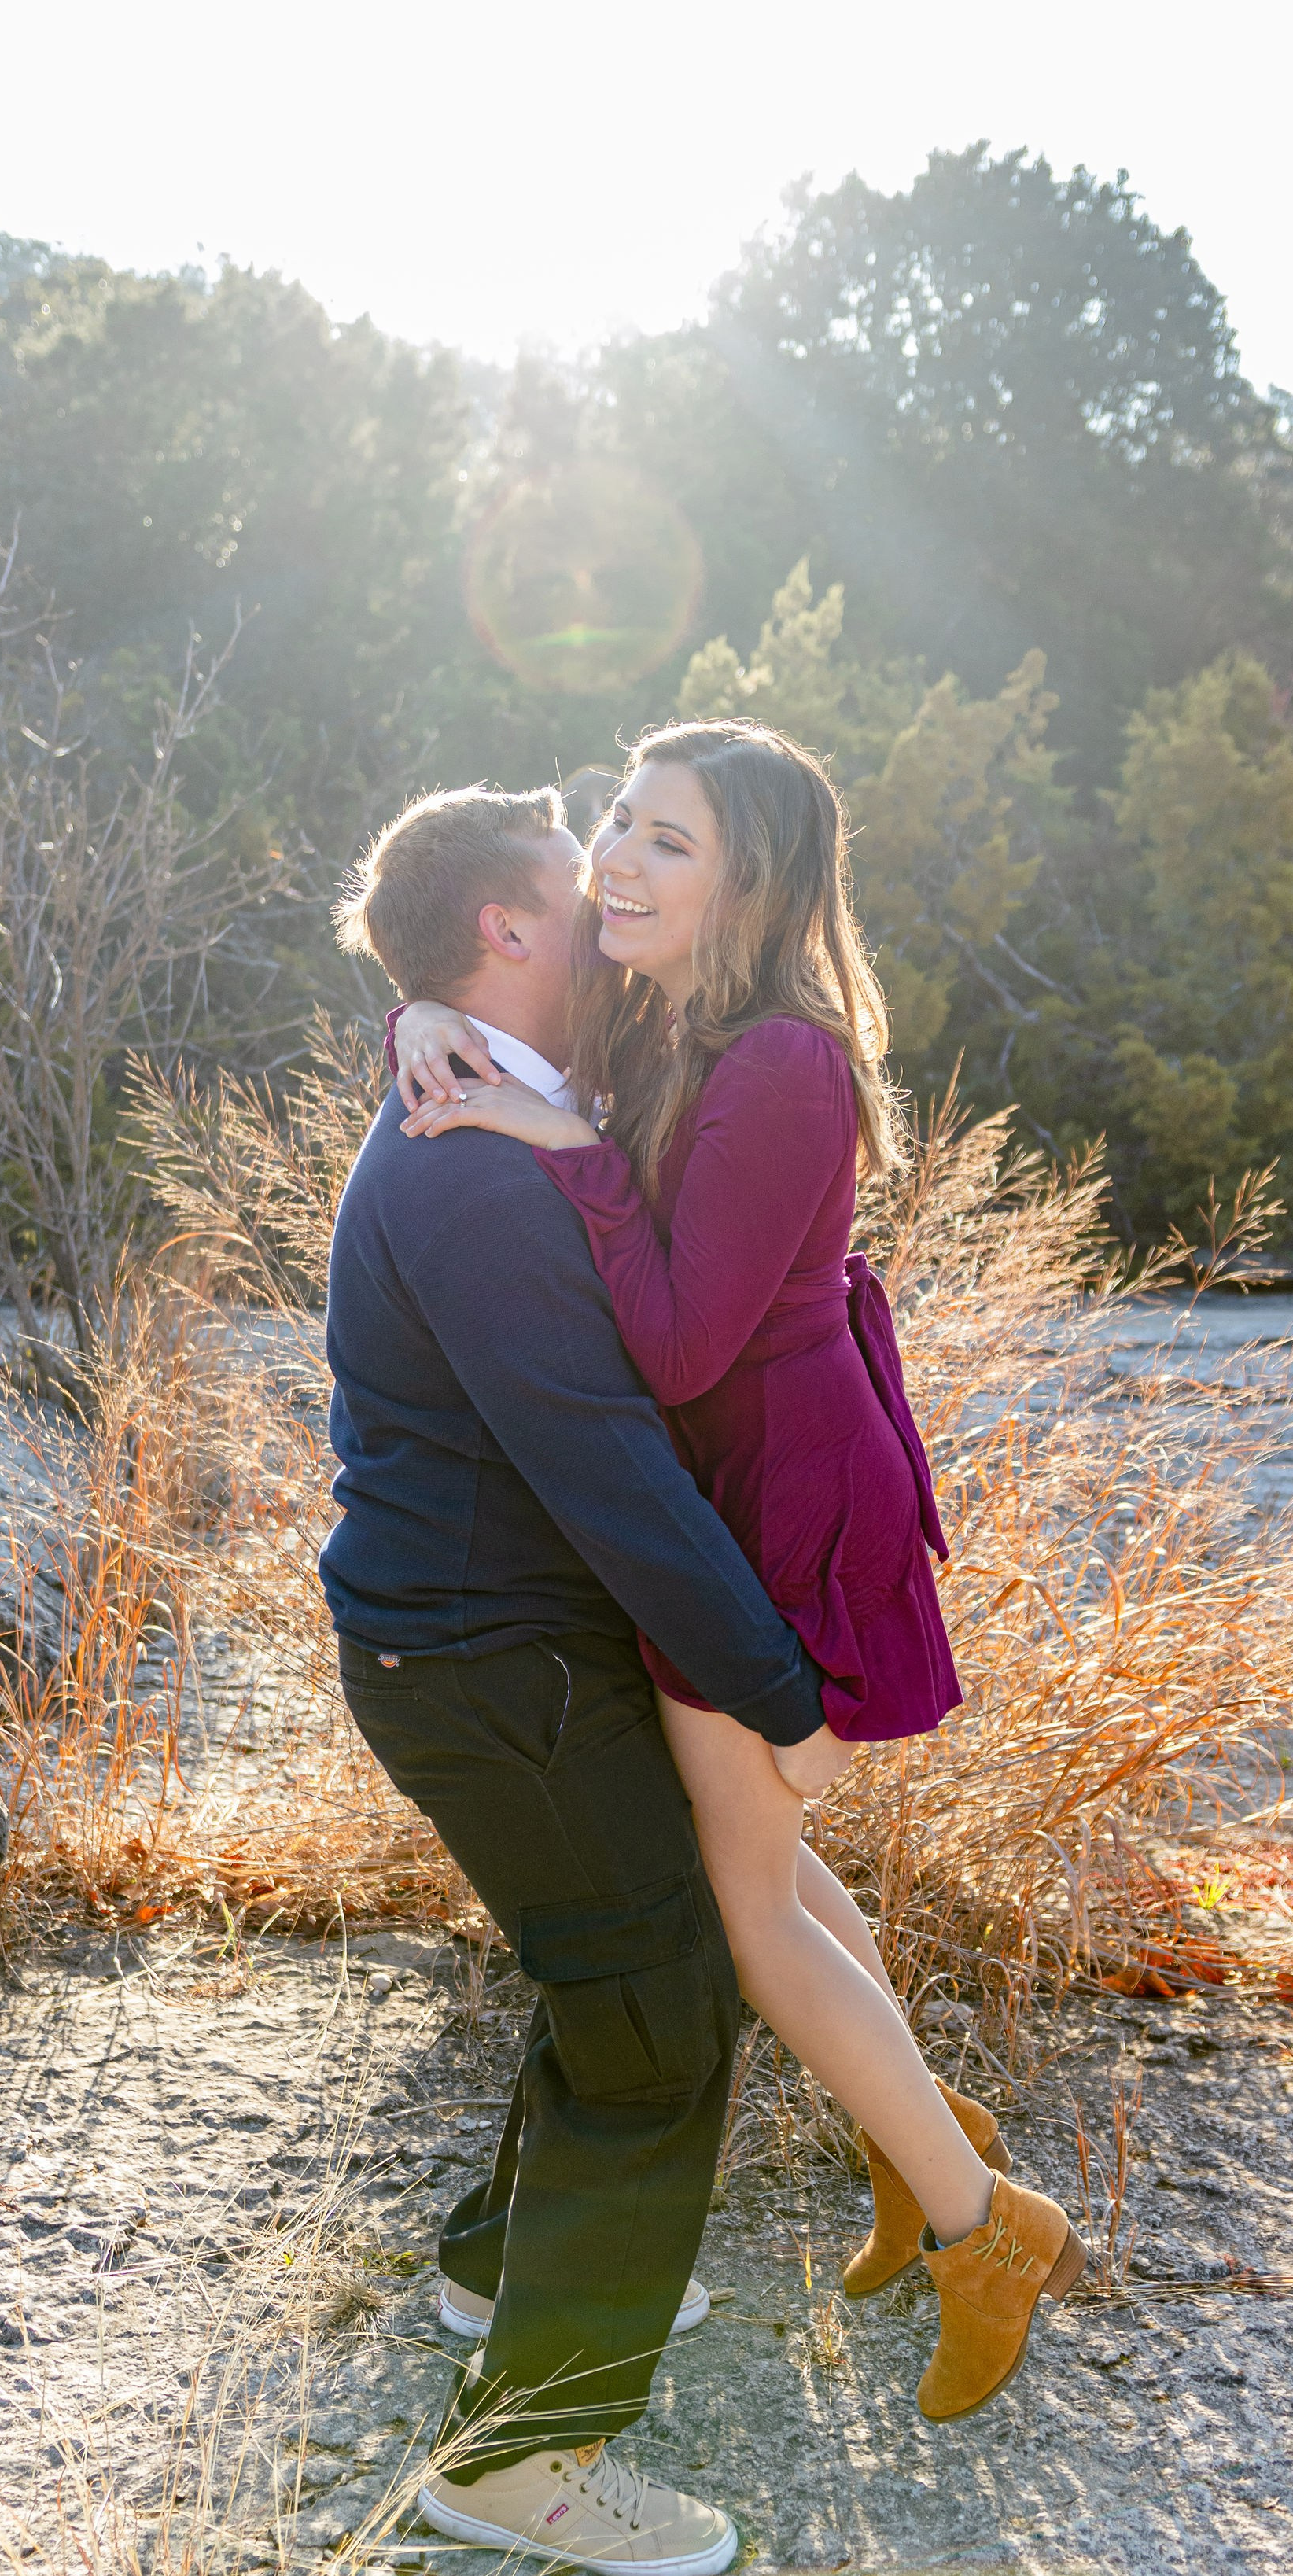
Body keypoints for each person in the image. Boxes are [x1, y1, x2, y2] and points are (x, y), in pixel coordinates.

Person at [392, 721, 1084, 2427]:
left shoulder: (782, 1062)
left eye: (669, 843)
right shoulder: (660, 1016)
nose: (616, 859)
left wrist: (566, 1166)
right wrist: (419, 1015)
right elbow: (490, 1003)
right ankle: (917, 2133)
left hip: (777, 1491)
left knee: (748, 1910)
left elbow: (689, 1346)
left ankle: (985, 2228)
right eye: (616, 820)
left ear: (754, 884)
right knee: (758, 1864)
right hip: (735, 1478)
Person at [320, 782, 845, 2576]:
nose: (611, 885)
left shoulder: (497, 1088)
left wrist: (412, 1005)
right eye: (576, 872)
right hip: (487, 1664)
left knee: (606, 1945)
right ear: (508, 934)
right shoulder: (467, 1162)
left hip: (489, 1648)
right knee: (659, 2000)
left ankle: (497, 2268)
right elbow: (606, 1462)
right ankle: (528, 2460)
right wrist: (776, 1686)